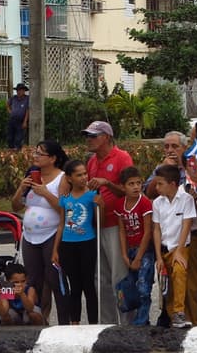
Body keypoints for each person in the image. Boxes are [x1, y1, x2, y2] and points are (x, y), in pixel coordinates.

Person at [11, 140, 68, 324]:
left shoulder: (62, 178)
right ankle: (39, 319)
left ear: (52, 158)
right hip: (29, 236)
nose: (35, 157)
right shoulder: (31, 174)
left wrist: (45, 193)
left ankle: (64, 322)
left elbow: (64, 210)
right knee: (34, 280)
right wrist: (21, 188)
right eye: (35, 153)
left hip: (51, 233)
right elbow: (16, 206)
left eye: (39, 154)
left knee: (53, 278)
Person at [84, 120, 133, 326]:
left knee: (118, 276)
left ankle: (127, 324)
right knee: (100, 279)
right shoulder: (92, 161)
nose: (89, 140)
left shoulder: (122, 157)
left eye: (93, 136)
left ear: (106, 137)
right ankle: (107, 324)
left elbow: (130, 190)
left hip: (116, 223)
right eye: (88, 136)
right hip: (96, 223)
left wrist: (108, 184)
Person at [53, 159, 99, 325]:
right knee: (75, 286)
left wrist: (101, 204)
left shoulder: (92, 195)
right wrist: (55, 250)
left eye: (85, 173)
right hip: (67, 244)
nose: (83, 177)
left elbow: (99, 218)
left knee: (88, 284)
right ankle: (75, 323)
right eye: (78, 175)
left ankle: (93, 323)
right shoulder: (65, 198)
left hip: (87, 242)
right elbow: (62, 223)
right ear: (69, 178)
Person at [152, 164, 195, 329]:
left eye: (160, 184)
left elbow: (186, 225)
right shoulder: (157, 203)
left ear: (172, 184)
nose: (156, 187)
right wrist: (158, 256)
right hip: (163, 248)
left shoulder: (186, 200)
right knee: (165, 285)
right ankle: (171, 317)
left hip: (180, 247)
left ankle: (179, 312)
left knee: (179, 273)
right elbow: (156, 229)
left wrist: (179, 251)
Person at [114, 166, 154, 326]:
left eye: (138, 183)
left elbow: (147, 232)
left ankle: (141, 322)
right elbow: (122, 231)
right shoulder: (119, 205)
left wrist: (138, 257)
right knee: (132, 287)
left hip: (144, 251)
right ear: (123, 187)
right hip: (129, 250)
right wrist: (124, 254)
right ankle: (139, 318)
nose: (136, 187)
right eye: (131, 184)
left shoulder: (144, 203)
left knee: (144, 287)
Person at [6, 83, 31, 150]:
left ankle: (17, 151)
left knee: (18, 138)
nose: (19, 92)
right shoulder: (14, 98)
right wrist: (10, 112)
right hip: (12, 120)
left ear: (24, 91)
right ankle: (11, 150)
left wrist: (25, 122)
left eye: (20, 90)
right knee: (10, 137)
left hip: (21, 121)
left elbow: (27, 110)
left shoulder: (27, 99)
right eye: (18, 90)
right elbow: (7, 104)